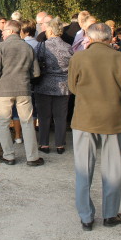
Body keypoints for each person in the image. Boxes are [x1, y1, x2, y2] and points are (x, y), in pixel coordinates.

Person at [68, 23, 121, 231]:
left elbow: (73, 88)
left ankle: (86, 217)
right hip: (114, 119)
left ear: (88, 39)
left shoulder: (78, 58)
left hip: (85, 118)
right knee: (113, 168)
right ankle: (110, 214)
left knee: (83, 168)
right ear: (110, 38)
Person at [0, 20, 43, 166]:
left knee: (3, 122)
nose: (2, 33)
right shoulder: (27, 47)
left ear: (11, 31)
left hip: (4, 89)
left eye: (4, 30)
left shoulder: (0, 47)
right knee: (27, 122)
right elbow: (36, 72)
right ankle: (32, 157)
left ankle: (8, 156)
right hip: (23, 88)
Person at [33, 17, 73, 154]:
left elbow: (35, 63)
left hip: (44, 84)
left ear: (50, 31)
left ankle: (44, 144)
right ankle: (60, 144)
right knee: (60, 116)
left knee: (44, 116)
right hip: (63, 86)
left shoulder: (42, 46)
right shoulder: (68, 47)